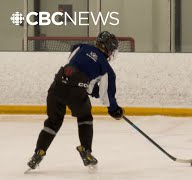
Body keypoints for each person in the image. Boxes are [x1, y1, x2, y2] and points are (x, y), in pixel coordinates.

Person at [27, 31, 124, 170]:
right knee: (85, 117)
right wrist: (115, 110)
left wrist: (89, 87)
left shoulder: (80, 47)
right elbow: (106, 95)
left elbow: (74, 67)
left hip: (56, 87)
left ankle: (38, 153)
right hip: (76, 94)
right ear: (109, 48)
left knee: (53, 123)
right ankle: (85, 150)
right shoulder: (106, 68)